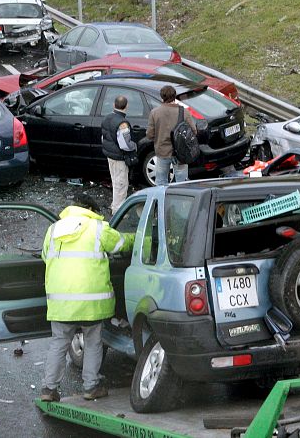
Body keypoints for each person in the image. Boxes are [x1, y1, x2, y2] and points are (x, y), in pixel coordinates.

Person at [39, 204, 134, 402]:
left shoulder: (53, 230)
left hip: (61, 303)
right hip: (91, 303)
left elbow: (44, 256)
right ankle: (91, 387)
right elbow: (122, 244)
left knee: (59, 343)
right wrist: (147, 238)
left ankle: (49, 389)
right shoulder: (97, 227)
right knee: (93, 342)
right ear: (90, 208)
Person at [146, 85, 195, 185]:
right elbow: (193, 131)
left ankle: (162, 200)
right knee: (182, 183)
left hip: (162, 152)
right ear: (175, 96)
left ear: (162, 97)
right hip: (181, 153)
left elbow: (150, 135)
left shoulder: (155, 113)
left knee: (161, 181)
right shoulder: (184, 112)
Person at [101, 95, 137, 214]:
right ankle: (118, 211)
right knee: (121, 184)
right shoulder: (122, 123)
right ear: (126, 106)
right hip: (119, 157)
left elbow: (103, 137)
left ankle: (114, 205)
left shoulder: (107, 118)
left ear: (114, 105)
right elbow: (125, 144)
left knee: (115, 181)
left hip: (110, 155)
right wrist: (134, 146)